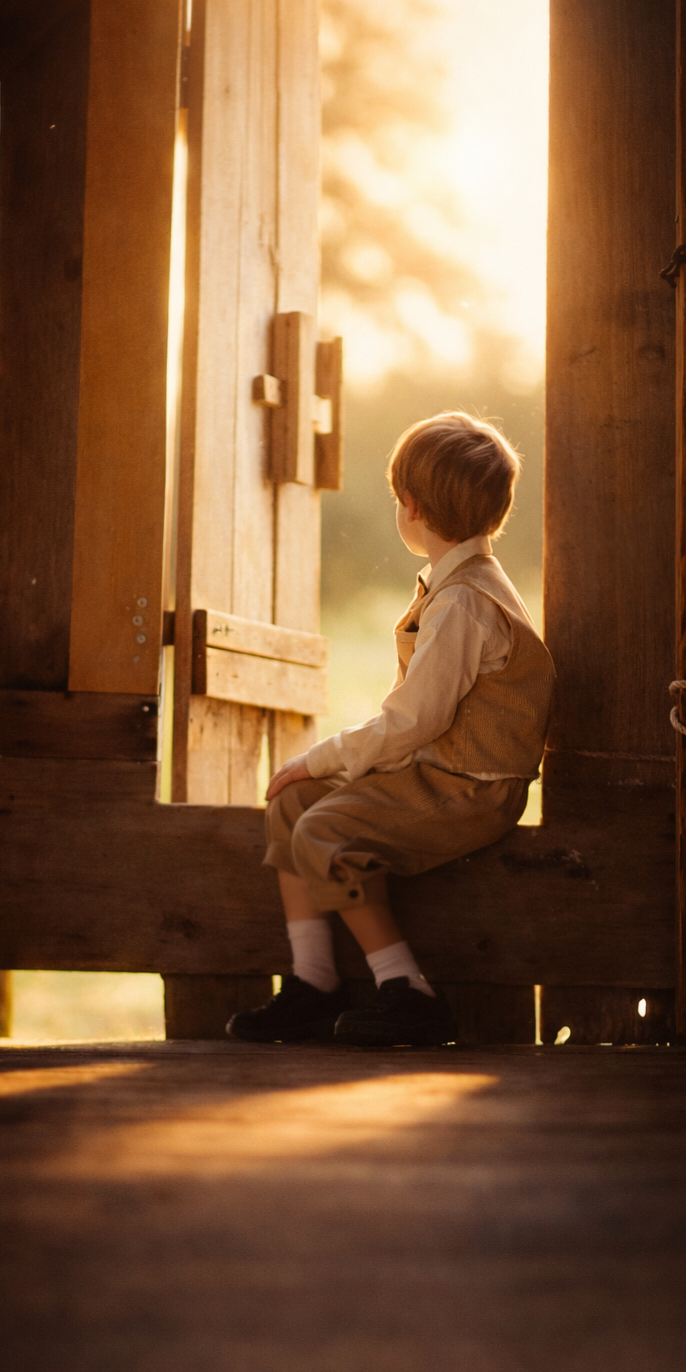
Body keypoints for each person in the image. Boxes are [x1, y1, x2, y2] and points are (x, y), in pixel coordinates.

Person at [227, 411, 556, 1048]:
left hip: (471, 787)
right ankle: (314, 982)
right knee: (292, 805)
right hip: (443, 772)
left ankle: (409, 993)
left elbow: (414, 720)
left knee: (323, 824)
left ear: (411, 505)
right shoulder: (456, 585)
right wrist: (314, 774)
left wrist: (322, 757)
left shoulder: (464, 601)